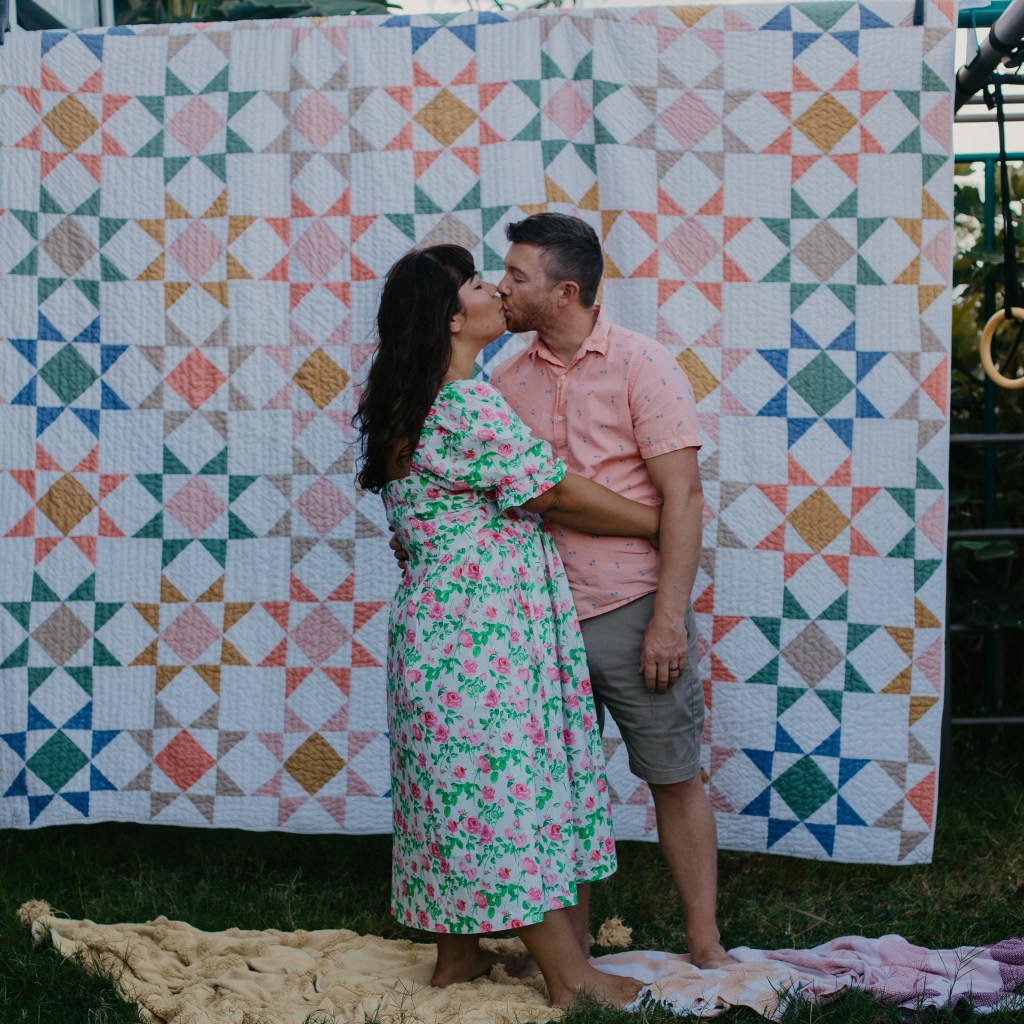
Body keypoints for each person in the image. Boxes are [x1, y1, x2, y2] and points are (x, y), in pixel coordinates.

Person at [395, 215, 732, 969]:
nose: (502, 287)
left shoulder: (643, 364)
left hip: (629, 609)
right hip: (529, 627)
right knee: (555, 792)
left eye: (517, 276)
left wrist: (667, 619)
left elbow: (684, 496)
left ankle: (705, 943)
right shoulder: (500, 381)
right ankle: (571, 960)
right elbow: (508, 489)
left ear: (566, 292)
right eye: (497, 276)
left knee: (673, 775)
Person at [354, 244, 660, 1009]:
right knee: (501, 797)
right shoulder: (463, 404)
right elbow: (553, 492)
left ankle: (458, 958)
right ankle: (572, 978)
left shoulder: (408, 399)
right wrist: (657, 521)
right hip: (477, 636)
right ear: (452, 319)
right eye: (476, 284)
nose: (495, 290)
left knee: (453, 791)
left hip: (434, 629)